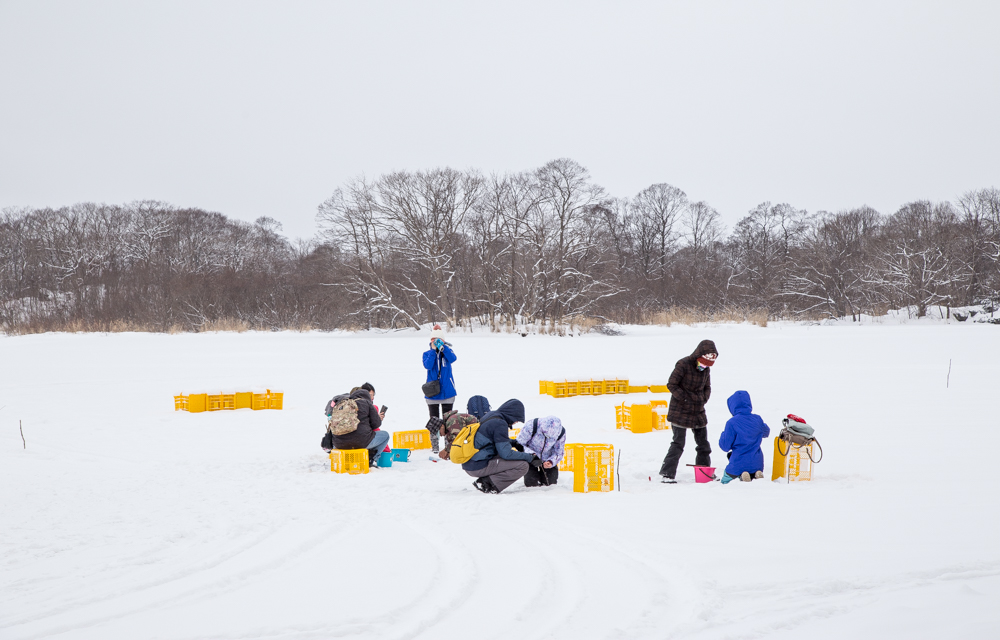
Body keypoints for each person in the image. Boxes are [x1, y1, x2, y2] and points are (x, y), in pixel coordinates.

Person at [659, 339, 719, 483]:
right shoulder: (683, 364)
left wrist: (703, 399)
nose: (705, 366)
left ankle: (704, 472)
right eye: (703, 363)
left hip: (698, 410)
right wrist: (685, 399)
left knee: (703, 444)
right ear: (698, 356)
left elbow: (707, 387)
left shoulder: (706, 369)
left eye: (708, 365)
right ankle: (667, 474)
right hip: (680, 410)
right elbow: (671, 384)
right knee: (678, 444)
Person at [462, 399, 538, 493]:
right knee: (523, 465)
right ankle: (487, 484)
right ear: (512, 415)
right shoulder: (500, 423)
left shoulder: (492, 415)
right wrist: (530, 458)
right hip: (477, 466)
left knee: (514, 458)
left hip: (471, 461)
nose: (514, 423)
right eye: (516, 420)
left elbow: (492, 440)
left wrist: (514, 443)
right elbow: (506, 454)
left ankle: (487, 481)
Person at [328, 387, 389, 467]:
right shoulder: (366, 403)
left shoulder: (342, 404)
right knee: (385, 435)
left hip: (338, 444)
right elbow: (376, 424)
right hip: (360, 442)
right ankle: (371, 458)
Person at [718, 390, 770, 484]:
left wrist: (723, 434)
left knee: (724, 481)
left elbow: (725, 446)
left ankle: (742, 476)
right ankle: (755, 474)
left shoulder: (732, 423)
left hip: (737, 465)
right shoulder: (757, 419)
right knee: (753, 471)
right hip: (757, 464)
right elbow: (766, 432)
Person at [423, 324, 457, 453]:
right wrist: (433, 351)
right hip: (432, 393)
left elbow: (453, 359)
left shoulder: (447, 353)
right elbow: (428, 365)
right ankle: (435, 447)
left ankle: (448, 446)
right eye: (433, 340)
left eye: (438, 340)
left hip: (447, 391)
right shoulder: (426, 354)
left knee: (448, 421)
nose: (436, 343)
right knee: (434, 421)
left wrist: (443, 348)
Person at [513, 416, 566, 487]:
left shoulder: (561, 433)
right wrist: (532, 455)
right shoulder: (531, 426)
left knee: (550, 485)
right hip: (530, 459)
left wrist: (551, 461)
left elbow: (558, 452)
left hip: (547, 459)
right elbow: (519, 444)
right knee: (531, 485)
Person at [436, 395, 490, 461]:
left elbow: (457, 439)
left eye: (439, 433)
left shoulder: (452, 421)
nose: (441, 435)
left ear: (441, 426)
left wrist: (446, 450)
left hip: (481, 432)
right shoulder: (448, 427)